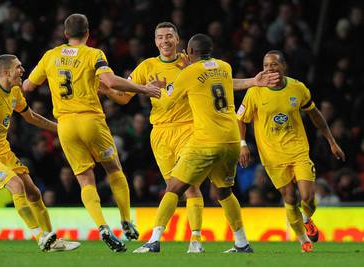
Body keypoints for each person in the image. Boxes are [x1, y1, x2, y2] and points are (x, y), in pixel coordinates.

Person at [102, 22, 278, 253]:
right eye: (160, 37)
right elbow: (123, 97)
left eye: (169, 36)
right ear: (155, 41)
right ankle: (241, 242)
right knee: (218, 190)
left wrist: (152, 90)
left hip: (194, 132)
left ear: (180, 42)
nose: (164, 41)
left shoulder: (188, 67)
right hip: (167, 134)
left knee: (183, 188)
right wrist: (108, 89)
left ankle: (180, 239)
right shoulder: (152, 66)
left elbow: (170, 96)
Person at [22, 13, 160, 252]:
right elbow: (110, 81)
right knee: (114, 168)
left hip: (65, 125)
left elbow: (27, 86)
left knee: (85, 179)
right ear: (88, 33)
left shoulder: (50, 56)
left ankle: (102, 226)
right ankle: (126, 221)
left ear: (65, 34)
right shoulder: (94, 54)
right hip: (90, 120)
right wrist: (144, 89)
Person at [133, 33, 254, 254]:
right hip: (231, 140)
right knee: (224, 192)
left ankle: (154, 240)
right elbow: (228, 84)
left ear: (189, 52)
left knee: (174, 187)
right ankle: (242, 242)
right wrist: (254, 81)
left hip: (206, 140)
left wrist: (159, 88)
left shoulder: (188, 72)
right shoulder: (224, 67)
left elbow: (168, 101)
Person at [0, 54, 79, 252]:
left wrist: (60, 129)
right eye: (18, 67)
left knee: (34, 191)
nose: (23, 70)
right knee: (16, 185)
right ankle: (40, 238)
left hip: (3, 150)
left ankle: (53, 240)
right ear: (6, 72)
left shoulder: (15, 91)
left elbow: (30, 117)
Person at [237, 50, 346, 252]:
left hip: (298, 151)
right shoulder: (255, 92)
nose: (270, 69)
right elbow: (240, 120)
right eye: (266, 65)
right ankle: (303, 239)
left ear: (283, 66)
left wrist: (331, 141)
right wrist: (242, 144)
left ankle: (306, 218)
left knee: (307, 196)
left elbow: (314, 113)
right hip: (272, 156)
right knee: (290, 197)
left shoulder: (297, 88)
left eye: (274, 65)